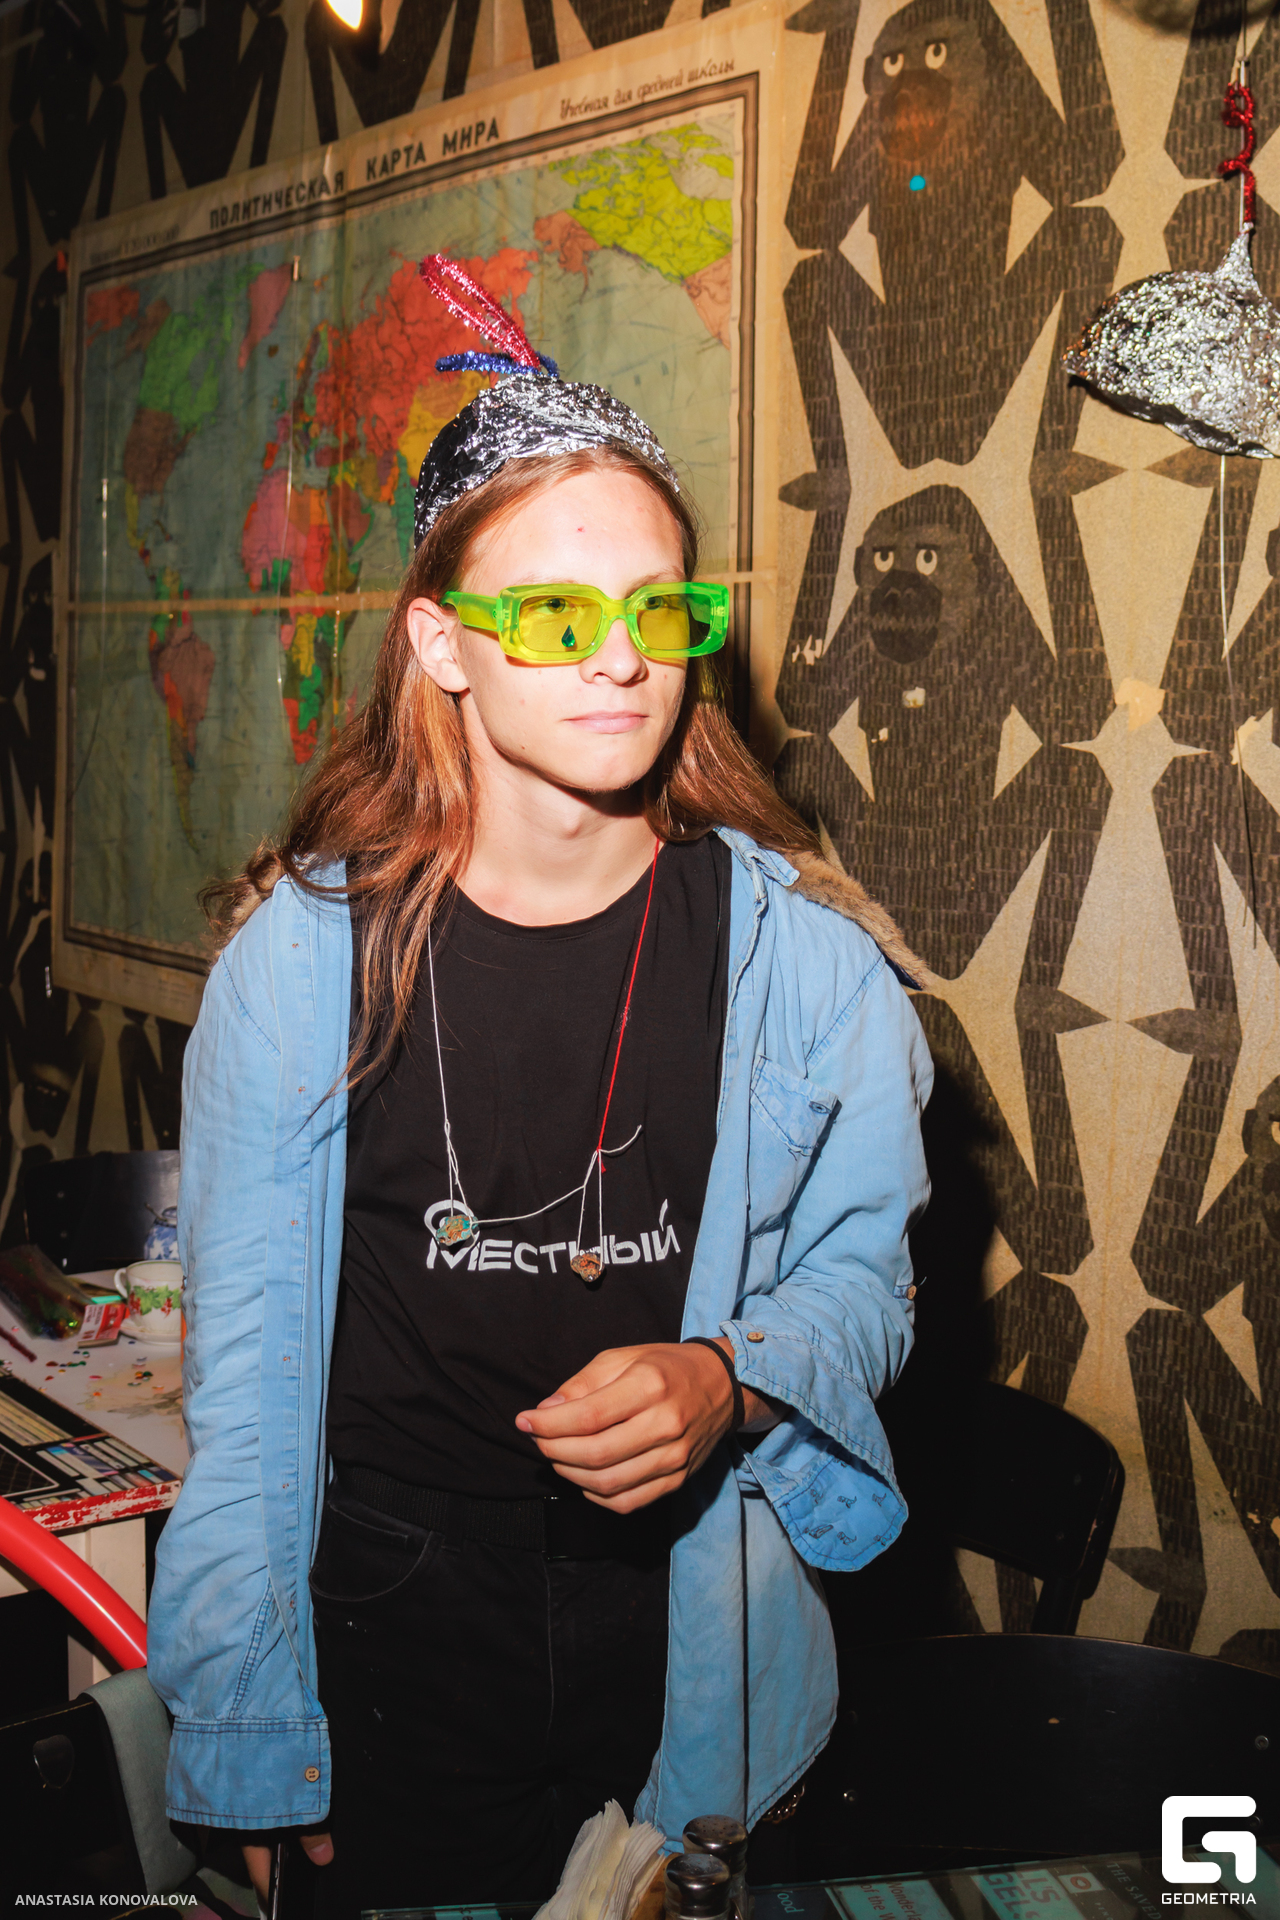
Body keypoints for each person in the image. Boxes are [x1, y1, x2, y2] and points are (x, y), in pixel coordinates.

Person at [147, 258, 933, 1913]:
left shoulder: (807, 966)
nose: (622, 660)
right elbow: (248, 1398)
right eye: (560, 617)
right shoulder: (304, 965)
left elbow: (865, 1282)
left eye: (660, 611)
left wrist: (730, 1377)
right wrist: (241, 1726)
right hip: (393, 1631)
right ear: (443, 644)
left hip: (699, 1624)